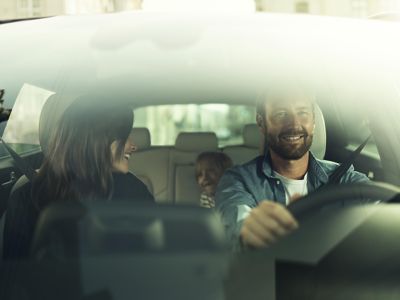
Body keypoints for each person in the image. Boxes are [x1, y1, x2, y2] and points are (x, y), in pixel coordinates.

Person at [215, 88, 369, 249]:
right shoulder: (237, 181)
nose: (294, 124)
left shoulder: (344, 177)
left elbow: (382, 207)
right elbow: (238, 221)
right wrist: (254, 230)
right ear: (261, 123)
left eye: (302, 113)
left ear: (314, 122)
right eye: (281, 114)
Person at [3, 98, 154, 260]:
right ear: (101, 143)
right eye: (125, 137)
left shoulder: (25, 195)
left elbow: (13, 275)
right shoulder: (134, 193)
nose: (133, 145)